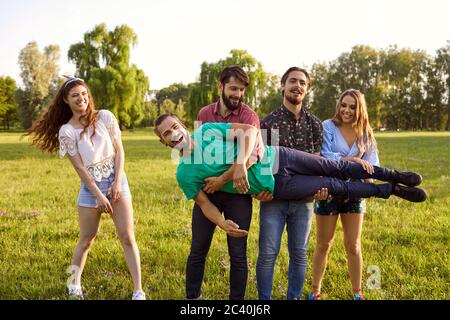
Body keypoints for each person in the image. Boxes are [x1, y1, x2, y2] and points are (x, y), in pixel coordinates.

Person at [153, 114, 426, 241]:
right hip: (277, 185)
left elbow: (249, 131)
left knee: (336, 167)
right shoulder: (184, 173)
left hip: (280, 156)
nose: (174, 133)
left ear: (183, 125)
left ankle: (392, 174)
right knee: (334, 186)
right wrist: (222, 223)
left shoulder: (208, 130)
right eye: (167, 133)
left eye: (175, 126)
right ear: (165, 143)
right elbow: (204, 205)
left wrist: (233, 170)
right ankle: (390, 190)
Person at [26, 77, 145, 300]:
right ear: (66, 100)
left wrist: (117, 182)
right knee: (86, 240)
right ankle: (74, 285)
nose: (81, 99)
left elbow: (119, 151)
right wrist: (99, 195)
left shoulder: (105, 117)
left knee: (128, 237)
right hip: (91, 187)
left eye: (84, 94)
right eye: (75, 96)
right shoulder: (67, 131)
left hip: (118, 181)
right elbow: (81, 169)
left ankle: (138, 291)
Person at [187, 66, 268, 300]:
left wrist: (221, 179)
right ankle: (192, 299)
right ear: (220, 86)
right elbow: (200, 154)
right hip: (208, 191)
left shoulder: (249, 116)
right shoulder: (204, 114)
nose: (237, 94)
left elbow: (253, 156)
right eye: (233, 88)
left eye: (241, 90)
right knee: (198, 249)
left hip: (236, 192)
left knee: (238, 253)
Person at [256, 67, 326, 300]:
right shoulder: (268, 123)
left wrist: (320, 187)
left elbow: (318, 164)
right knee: (267, 254)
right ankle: (263, 302)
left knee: (299, 253)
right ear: (283, 86)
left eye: (302, 83)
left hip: (304, 201)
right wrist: (258, 192)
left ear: (307, 89)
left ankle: (293, 297)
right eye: (293, 81)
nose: (297, 86)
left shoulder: (315, 124)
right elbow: (260, 164)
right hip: (273, 200)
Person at [308, 89, 381, 300]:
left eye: (352, 106)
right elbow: (326, 159)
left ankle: (358, 293)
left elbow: (373, 166)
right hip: (329, 191)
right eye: (343, 105)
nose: (346, 110)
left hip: (355, 194)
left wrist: (368, 178)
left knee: (354, 245)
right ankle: (315, 291)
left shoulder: (366, 133)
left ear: (360, 109)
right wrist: (355, 161)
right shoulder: (328, 127)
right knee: (324, 244)